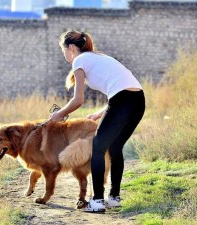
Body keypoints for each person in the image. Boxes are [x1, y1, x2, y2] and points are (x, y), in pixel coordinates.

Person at [49, 30, 145, 212]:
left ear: (70, 48)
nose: (65, 56)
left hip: (122, 101)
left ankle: (97, 201)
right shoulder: (98, 57)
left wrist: (59, 114)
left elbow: (78, 100)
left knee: (97, 147)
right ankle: (114, 198)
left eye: (63, 52)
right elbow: (122, 90)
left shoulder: (80, 60)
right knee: (115, 147)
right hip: (138, 101)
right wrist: (99, 114)